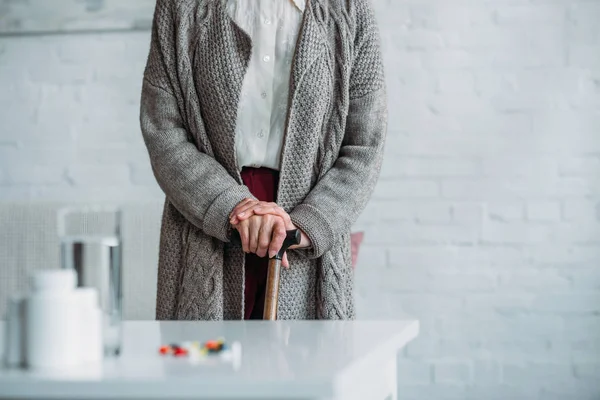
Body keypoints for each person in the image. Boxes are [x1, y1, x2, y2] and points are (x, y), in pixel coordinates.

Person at [140, 0, 387, 321]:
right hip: (208, 222)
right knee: (205, 368)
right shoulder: (181, 7)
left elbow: (365, 145)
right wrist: (231, 206)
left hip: (303, 233)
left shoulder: (349, 9)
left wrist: (308, 225)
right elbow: (163, 130)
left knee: (305, 367)